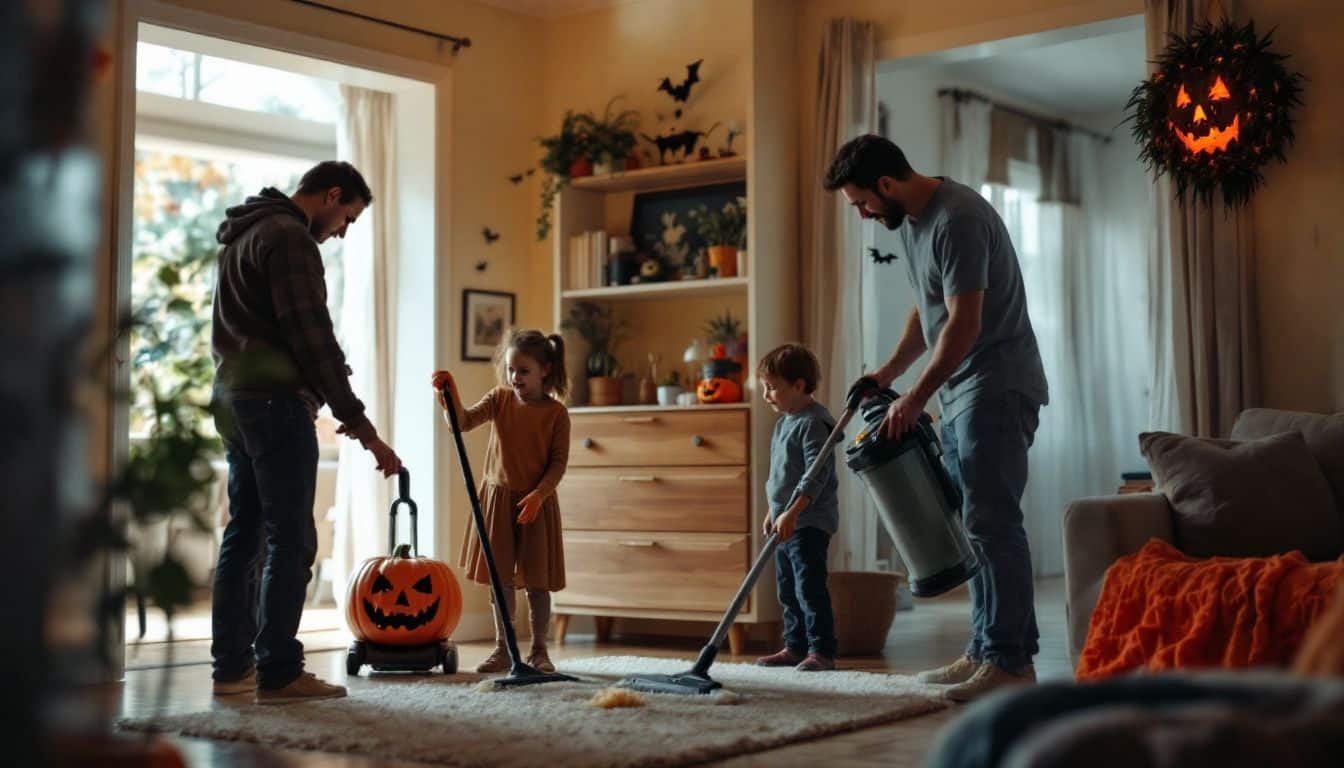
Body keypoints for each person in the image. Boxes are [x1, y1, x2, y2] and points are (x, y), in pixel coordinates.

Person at [826, 134, 1049, 702]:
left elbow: (964, 324)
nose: (863, 213)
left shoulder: (959, 219)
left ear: (886, 185)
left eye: (861, 202)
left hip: (995, 385)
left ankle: (1009, 662)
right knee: (974, 525)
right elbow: (926, 311)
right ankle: (984, 651)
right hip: (963, 392)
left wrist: (916, 396)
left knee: (993, 523)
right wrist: (888, 373)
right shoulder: (919, 224)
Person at [210, 160, 402, 704]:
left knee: (243, 532)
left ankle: (231, 671)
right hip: (273, 402)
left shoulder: (242, 236)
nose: (342, 230)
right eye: (348, 217)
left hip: (232, 397)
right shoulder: (291, 239)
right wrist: (363, 426)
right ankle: (278, 671)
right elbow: (312, 338)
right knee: (291, 538)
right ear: (331, 195)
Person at [431, 330, 570, 673]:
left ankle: (539, 650)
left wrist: (539, 495)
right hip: (497, 499)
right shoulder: (499, 399)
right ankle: (504, 648)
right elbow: (461, 423)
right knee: (500, 578)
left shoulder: (555, 415)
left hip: (536, 502)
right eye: (511, 370)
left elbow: (557, 463)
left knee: (537, 580)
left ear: (545, 370)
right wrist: (450, 398)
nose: (515, 377)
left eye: (523, 371)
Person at [753, 344, 841, 672]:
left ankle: (822, 650)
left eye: (772, 387)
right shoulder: (783, 424)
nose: (766, 395)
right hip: (783, 522)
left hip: (809, 522)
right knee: (787, 587)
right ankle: (794, 645)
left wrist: (793, 512)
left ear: (799, 385)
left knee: (809, 586)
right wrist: (772, 511)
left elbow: (813, 477)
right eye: (765, 387)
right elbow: (780, 477)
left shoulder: (815, 423)